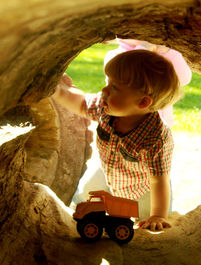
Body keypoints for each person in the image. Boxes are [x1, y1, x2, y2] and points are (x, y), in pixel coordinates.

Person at [52, 49, 181, 231]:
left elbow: (159, 180)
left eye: (115, 87)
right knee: (85, 196)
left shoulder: (155, 139)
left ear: (143, 103)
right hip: (108, 170)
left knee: (144, 219)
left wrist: (158, 215)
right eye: (108, 83)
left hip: (142, 188)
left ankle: (152, 216)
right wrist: (56, 92)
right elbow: (81, 104)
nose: (104, 90)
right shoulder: (106, 107)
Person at [104, 38, 192, 127]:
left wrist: (168, 51)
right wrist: (143, 48)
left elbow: (184, 78)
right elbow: (134, 73)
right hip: (124, 122)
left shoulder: (160, 57)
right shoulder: (117, 57)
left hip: (158, 124)